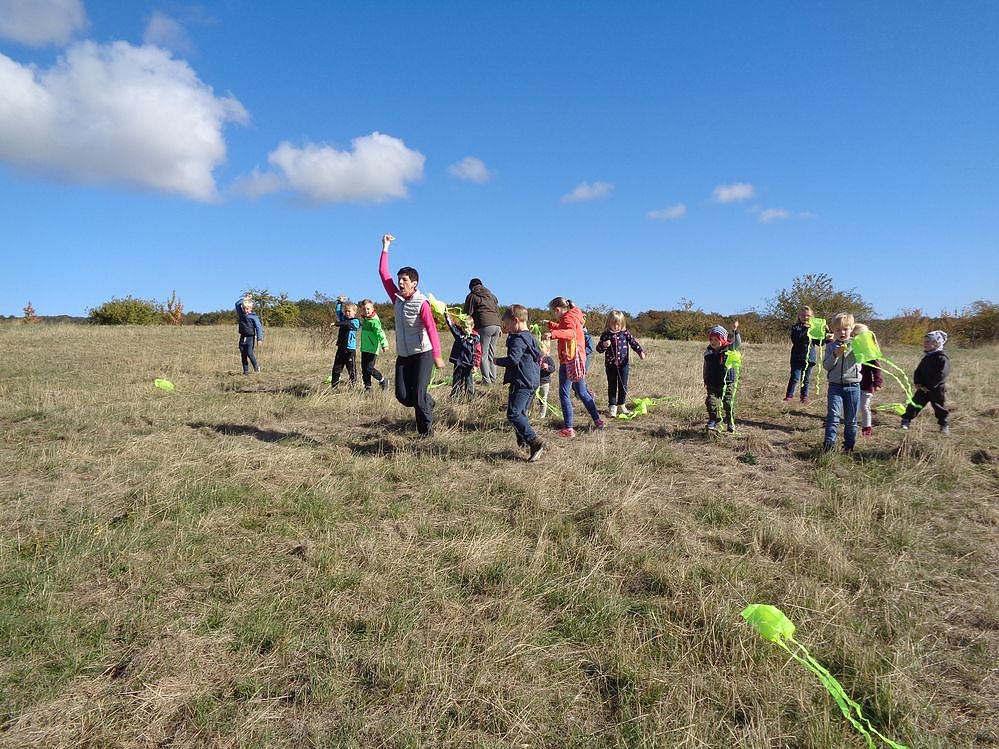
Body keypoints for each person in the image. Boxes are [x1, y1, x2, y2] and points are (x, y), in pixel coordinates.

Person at [378, 234, 445, 436]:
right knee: (403, 396)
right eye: (399, 279)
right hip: (404, 355)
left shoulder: (421, 303)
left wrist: (437, 355)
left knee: (418, 396)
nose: (400, 282)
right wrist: (385, 247)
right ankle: (428, 401)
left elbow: (431, 329)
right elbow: (383, 273)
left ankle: (426, 435)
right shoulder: (397, 299)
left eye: (404, 279)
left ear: (414, 283)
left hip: (422, 354)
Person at [543, 297, 605, 437]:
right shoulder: (574, 316)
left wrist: (552, 334)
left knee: (564, 393)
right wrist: (551, 325)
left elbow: (570, 333)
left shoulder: (567, 318)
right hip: (578, 359)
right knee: (582, 392)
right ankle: (598, 421)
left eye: (553, 312)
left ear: (557, 310)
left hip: (569, 360)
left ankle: (568, 428)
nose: (554, 315)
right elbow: (565, 329)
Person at [495, 305, 544, 462]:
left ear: (516, 321)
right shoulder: (530, 337)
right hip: (532, 380)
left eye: (508, 325)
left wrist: (495, 361)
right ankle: (523, 442)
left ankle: (534, 442)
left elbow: (513, 360)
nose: (507, 328)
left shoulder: (518, 339)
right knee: (521, 412)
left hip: (521, 381)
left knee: (514, 413)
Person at [596, 310, 646, 417]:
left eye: (618, 324)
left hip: (624, 364)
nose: (616, 326)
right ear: (609, 323)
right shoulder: (606, 335)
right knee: (612, 385)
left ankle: (621, 405)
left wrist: (640, 352)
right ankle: (612, 406)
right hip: (610, 365)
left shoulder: (625, 333)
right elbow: (599, 349)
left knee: (623, 385)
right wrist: (604, 345)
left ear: (622, 324)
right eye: (613, 324)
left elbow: (633, 343)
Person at [822, 313, 861, 451]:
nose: (842, 333)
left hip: (853, 386)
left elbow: (868, 358)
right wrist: (835, 355)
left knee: (851, 419)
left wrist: (862, 346)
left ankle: (849, 446)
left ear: (851, 329)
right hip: (835, 387)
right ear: (833, 330)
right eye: (838, 330)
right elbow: (826, 366)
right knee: (833, 416)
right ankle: (828, 445)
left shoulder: (857, 344)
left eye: (845, 329)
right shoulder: (831, 347)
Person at [901, 330, 951, 433]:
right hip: (923, 388)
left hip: (936, 389)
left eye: (928, 341)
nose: (925, 343)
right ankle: (906, 420)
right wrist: (917, 382)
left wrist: (930, 386)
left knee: (939, 407)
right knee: (915, 404)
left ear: (936, 343)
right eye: (925, 341)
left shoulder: (942, 358)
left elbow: (942, 374)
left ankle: (944, 424)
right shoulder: (926, 357)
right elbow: (918, 371)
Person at [703, 321, 741, 432]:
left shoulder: (729, 349)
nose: (713, 342)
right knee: (711, 402)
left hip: (727, 382)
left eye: (716, 339)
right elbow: (705, 366)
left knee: (728, 402)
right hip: (712, 382)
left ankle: (730, 421)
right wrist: (705, 378)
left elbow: (737, 344)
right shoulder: (708, 352)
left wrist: (735, 331)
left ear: (723, 339)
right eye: (711, 339)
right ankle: (713, 420)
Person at [463, 278, 502, 385]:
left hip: (484, 325)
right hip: (496, 325)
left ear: (471, 286)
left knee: (483, 354)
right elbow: (497, 311)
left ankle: (486, 380)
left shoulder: (472, 295)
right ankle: (492, 378)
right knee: (491, 353)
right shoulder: (492, 296)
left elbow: (467, 313)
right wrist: (499, 327)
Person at [785, 305, 822, 404]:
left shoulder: (814, 328)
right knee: (795, 377)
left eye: (808, 316)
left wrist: (825, 331)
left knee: (805, 379)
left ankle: (804, 396)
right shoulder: (796, 327)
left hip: (809, 358)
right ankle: (789, 395)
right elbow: (795, 340)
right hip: (797, 357)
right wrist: (805, 329)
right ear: (799, 316)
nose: (805, 317)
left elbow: (820, 343)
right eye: (803, 315)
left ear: (812, 316)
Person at [853, 323, 883, 437]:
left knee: (864, 407)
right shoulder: (853, 350)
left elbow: (877, 369)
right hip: (853, 383)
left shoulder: (870, 355)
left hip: (866, 385)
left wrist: (877, 383)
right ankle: (850, 424)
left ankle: (867, 427)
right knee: (853, 406)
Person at [444, 311, 480, 400]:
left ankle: (470, 398)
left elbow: (478, 352)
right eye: (463, 327)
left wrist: (475, 365)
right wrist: (447, 315)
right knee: (457, 380)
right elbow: (452, 326)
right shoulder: (459, 334)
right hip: (458, 363)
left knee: (469, 382)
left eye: (467, 327)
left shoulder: (475, 338)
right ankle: (455, 397)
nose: (465, 329)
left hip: (469, 364)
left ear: (472, 326)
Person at [358, 298, 390, 392]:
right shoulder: (366, 319)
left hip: (372, 349)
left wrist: (384, 344)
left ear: (372, 309)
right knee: (364, 369)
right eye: (364, 309)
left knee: (369, 368)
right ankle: (368, 387)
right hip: (364, 349)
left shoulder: (374, 321)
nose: (366, 311)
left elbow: (380, 332)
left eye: (368, 309)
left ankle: (383, 380)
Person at [330, 297, 361, 388]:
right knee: (336, 369)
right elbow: (338, 312)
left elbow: (347, 324)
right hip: (340, 348)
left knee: (351, 369)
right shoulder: (343, 318)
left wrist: (336, 323)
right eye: (346, 311)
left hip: (350, 350)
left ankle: (353, 387)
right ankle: (334, 387)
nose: (347, 313)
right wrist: (340, 302)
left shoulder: (356, 321)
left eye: (349, 311)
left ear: (354, 312)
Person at [235, 296, 263, 374]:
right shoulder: (241, 313)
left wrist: (259, 339)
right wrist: (245, 298)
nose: (246, 310)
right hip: (242, 336)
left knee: (249, 353)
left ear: (251, 308)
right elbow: (237, 304)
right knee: (243, 354)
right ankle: (245, 371)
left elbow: (259, 327)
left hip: (250, 337)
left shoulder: (254, 317)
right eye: (244, 309)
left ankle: (256, 367)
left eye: (247, 309)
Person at [537, 339, 556, 416]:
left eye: (542, 347)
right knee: (532, 397)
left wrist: (547, 367)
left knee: (543, 399)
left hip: (544, 382)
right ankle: (528, 412)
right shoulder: (535, 358)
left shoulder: (548, 359)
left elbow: (553, 368)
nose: (540, 349)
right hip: (535, 381)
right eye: (538, 347)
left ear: (547, 350)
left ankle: (542, 414)